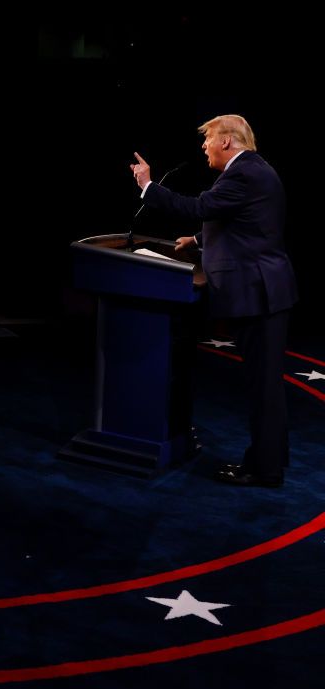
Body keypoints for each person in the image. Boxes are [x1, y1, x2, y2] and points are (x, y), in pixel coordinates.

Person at [130, 114, 297, 487]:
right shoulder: (252, 172)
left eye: (208, 140)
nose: (204, 147)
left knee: (263, 387)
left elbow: (199, 207)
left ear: (226, 141)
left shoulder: (244, 173)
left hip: (259, 295)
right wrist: (199, 240)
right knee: (263, 385)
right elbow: (245, 224)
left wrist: (148, 186)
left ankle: (264, 470)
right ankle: (268, 461)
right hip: (263, 292)